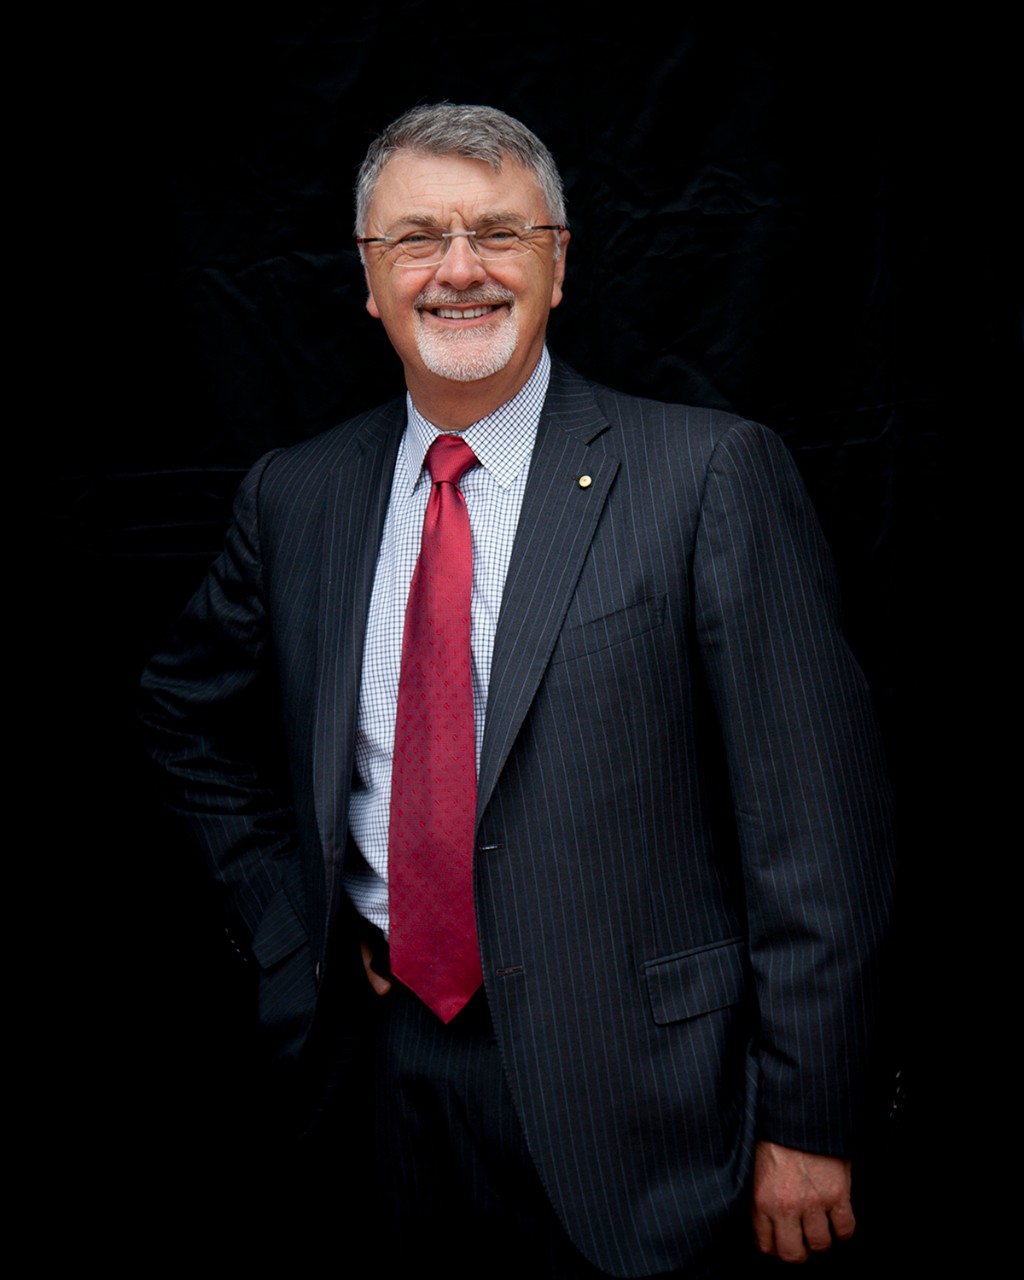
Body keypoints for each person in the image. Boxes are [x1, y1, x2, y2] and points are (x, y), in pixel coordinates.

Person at [140, 103, 893, 1278]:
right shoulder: (295, 495)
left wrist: (813, 1114)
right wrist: (297, 920)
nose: (458, 269)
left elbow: (816, 830)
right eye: (416, 238)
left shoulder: (707, 476)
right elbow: (184, 712)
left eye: (499, 231)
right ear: (369, 277)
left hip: (647, 1101)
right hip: (371, 1073)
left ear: (557, 260)